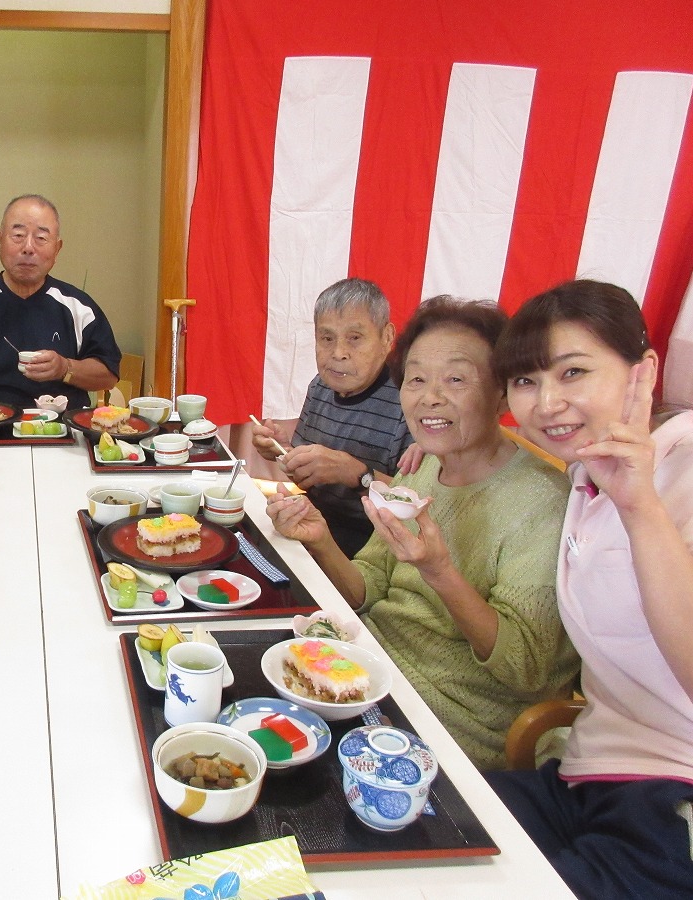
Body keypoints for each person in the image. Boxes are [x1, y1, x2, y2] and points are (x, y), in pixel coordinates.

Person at [266, 295, 578, 769]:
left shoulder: (544, 501)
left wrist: (440, 572)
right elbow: (367, 589)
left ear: (502, 392)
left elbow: (525, 669)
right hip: (367, 669)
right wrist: (320, 537)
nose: (430, 397)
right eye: (416, 379)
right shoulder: (425, 467)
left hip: (451, 719)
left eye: (455, 379)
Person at [486, 280, 693, 897]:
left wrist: (642, 508)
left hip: (668, 804)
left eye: (573, 372)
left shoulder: (675, 470)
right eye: (525, 382)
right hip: (582, 776)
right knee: (410, 818)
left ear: (643, 371)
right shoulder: (585, 477)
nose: (547, 403)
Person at [252, 278, 412, 557]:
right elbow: (309, 482)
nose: (338, 353)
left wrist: (357, 474)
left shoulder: (411, 399)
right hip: (315, 526)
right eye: (327, 338)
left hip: (379, 548)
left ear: (387, 337)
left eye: (355, 338)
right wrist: (283, 451)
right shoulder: (321, 386)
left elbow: (418, 506)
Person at [0, 194, 121, 409]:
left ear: (57, 248)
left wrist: (65, 368)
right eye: (18, 235)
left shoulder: (78, 306)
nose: (28, 247)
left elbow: (109, 375)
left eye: (41, 238)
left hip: (61, 433)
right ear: (0, 239)